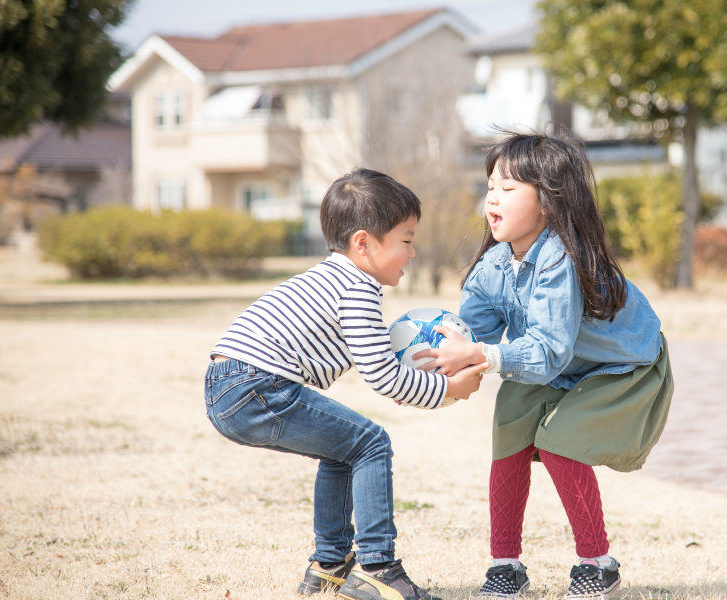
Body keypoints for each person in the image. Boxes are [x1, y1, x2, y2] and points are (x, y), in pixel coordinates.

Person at [204, 168, 488, 600]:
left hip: (229, 384)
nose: (412, 253)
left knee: (342, 451)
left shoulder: (332, 276)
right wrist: (451, 389)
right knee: (371, 443)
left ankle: (330, 563)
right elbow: (384, 377)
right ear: (363, 243)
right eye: (406, 241)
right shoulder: (358, 287)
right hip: (255, 385)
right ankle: (378, 567)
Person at [416, 131, 674, 599]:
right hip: (557, 366)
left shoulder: (560, 257)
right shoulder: (491, 268)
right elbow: (473, 341)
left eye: (508, 188)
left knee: (560, 441)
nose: (492, 198)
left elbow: (548, 350)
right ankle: (505, 565)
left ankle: (598, 563)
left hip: (623, 365)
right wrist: (432, 374)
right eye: (490, 186)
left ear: (549, 204)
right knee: (509, 429)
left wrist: (480, 356)